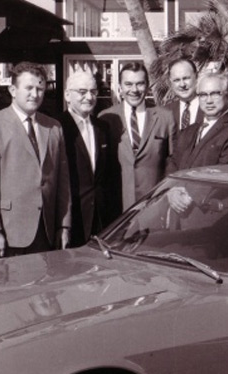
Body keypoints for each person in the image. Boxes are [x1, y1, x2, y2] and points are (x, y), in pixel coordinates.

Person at [0, 61, 71, 259]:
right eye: (29, 88)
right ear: (13, 90)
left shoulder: (54, 127)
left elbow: (62, 182)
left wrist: (64, 224)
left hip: (47, 231)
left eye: (40, 88)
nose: (35, 94)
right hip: (9, 233)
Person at [166, 72, 228, 212]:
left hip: (208, 214)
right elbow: (173, 163)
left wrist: (188, 196)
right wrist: (172, 189)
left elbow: (225, 173)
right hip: (178, 211)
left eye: (215, 94)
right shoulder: (189, 132)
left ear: (227, 95)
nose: (208, 100)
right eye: (203, 95)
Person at [99, 62, 176, 210]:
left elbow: (172, 162)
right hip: (117, 206)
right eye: (128, 84)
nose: (134, 90)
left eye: (140, 84)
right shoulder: (106, 118)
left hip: (154, 204)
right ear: (120, 87)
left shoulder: (165, 117)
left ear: (147, 85)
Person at [59, 71, 121, 247]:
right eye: (82, 91)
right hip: (71, 220)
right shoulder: (56, 127)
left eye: (93, 92)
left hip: (101, 221)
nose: (89, 97)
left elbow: (108, 176)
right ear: (67, 95)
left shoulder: (102, 127)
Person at [166, 58, 203, 131]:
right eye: (177, 80)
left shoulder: (210, 108)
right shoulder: (165, 112)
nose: (182, 84)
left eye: (186, 78)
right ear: (171, 82)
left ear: (196, 77)